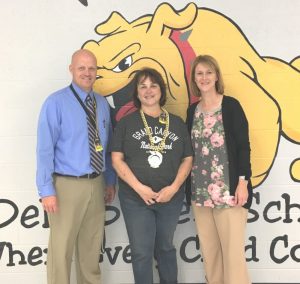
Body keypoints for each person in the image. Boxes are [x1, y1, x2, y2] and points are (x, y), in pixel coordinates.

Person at [36, 49, 116, 284]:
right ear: (71, 69)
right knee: (61, 251)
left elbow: (107, 144)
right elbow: (44, 149)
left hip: (97, 183)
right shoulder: (55, 103)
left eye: (92, 68)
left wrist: (109, 180)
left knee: (91, 250)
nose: (87, 73)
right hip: (66, 186)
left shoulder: (101, 104)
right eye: (81, 68)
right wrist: (46, 189)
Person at [111, 68, 193, 284]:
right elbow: (116, 160)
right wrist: (139, 188)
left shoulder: (176, 123)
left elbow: (188, 159)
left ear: (161, 90)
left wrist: (174, 188)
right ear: (136, 93)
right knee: (141, 252)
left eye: (153, 85)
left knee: (165, 248)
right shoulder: (126, 124)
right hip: (135, 199)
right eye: (143, 86)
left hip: (170, 198)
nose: (148, 91)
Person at [186, 55, 252, 284]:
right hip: (201, 193)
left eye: (208, 72)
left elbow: (243, 146)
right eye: (199, 73)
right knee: (211, 255)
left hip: (229, 192)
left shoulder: (230, 105)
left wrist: (243, 182)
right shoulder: (192, 110)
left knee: (233, 257)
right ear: (194, 78)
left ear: (216, 76)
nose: (204, 77)